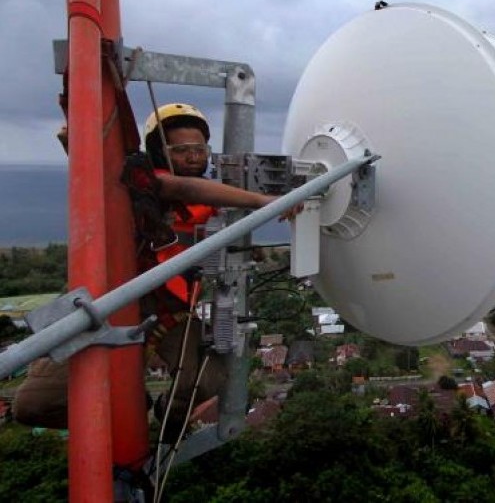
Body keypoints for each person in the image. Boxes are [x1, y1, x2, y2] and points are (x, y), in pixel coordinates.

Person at [14, 102, 299, 437]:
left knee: (203, 379)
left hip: (170, 307)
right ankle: (132, 408)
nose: (193, 157)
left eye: (199, 149)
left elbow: (205, 218)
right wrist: (263, 201)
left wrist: (250, 246)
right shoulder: (146, 185)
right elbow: (176, 187)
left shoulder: (208, 201)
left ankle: (160, 430)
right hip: (111, 298)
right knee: (33, 404)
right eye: (181, 150)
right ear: (160, 153)